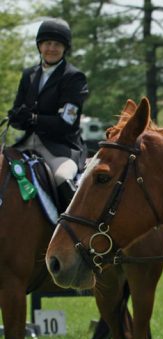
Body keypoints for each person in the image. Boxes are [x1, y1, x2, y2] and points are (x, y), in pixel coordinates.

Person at [7, 18, 89, 210]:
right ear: (39, 46)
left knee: (62, 177)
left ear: (64, 48)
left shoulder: (74, 77)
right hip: (26, 144)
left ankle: (73, 231)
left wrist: (34, 119)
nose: (51, 48)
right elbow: (19, 111)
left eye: (57, 44)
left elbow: (67, 122)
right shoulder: (29, 75)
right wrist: (16, 117)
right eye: (47, 43)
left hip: (59, 148)